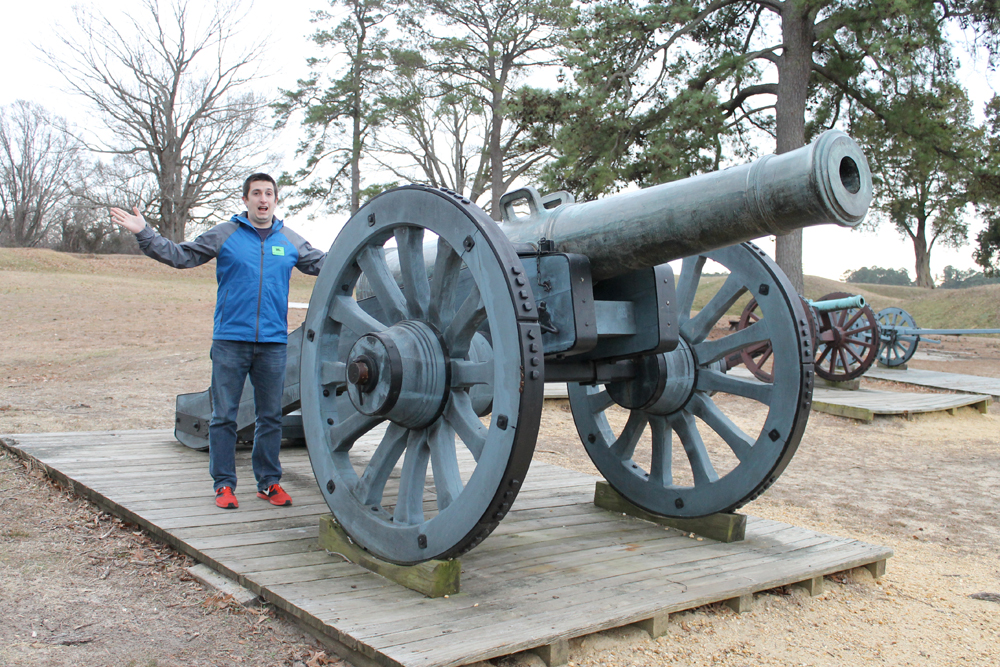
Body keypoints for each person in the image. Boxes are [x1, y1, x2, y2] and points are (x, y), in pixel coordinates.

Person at [110, 173, 326, 510]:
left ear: (275, 200)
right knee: (224, 416)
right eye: (256, 193)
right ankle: (224, 485)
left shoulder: (290, 240)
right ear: (246, 200)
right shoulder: (225, 235)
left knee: (271, 417)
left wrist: (366, 247)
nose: (263, 198)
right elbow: (180, 256)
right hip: (230, 342)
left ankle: (269, 483)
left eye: (269, 193)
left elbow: (326, 264)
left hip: (272, 344)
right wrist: (145, 234)